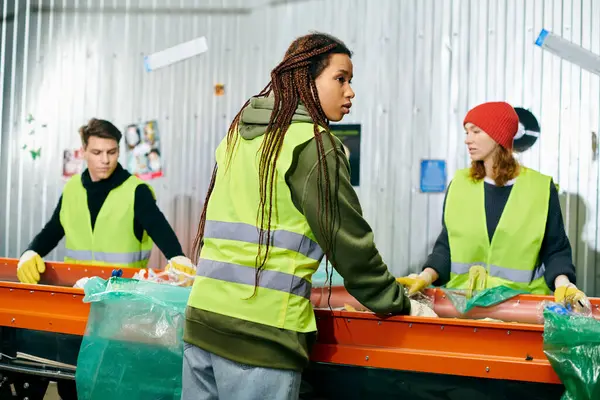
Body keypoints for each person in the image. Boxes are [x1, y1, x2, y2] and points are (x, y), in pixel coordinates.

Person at [181, 32, 413, 400]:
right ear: (306, 79)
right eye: (341, 78)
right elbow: (350, 245)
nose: (350, 91)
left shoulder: (239, 135)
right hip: (261, 335)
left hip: (201, 322)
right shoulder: (312, 144)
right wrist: (399, 302)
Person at [14, 118, 195, 399]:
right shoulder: (72, 189)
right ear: (84, 150)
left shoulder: (135, 191)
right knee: (71, 381)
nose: (105, 160)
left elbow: (159, 227)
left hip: (120, 306)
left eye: (111, 152)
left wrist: (178, 257)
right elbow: (53, 228)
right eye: (97, 153)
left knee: (111, 382)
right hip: (79, 301)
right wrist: (30, 251)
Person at [396, 101, 589, 311]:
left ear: (499, 137)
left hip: (520, 310)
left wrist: (565, 284)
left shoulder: (540, 189)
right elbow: (446, 246)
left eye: (476, 131)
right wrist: (424, 276)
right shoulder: (460, 184)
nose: (467, 139)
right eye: (467, 132)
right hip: (463, 308)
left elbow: (555, 249)